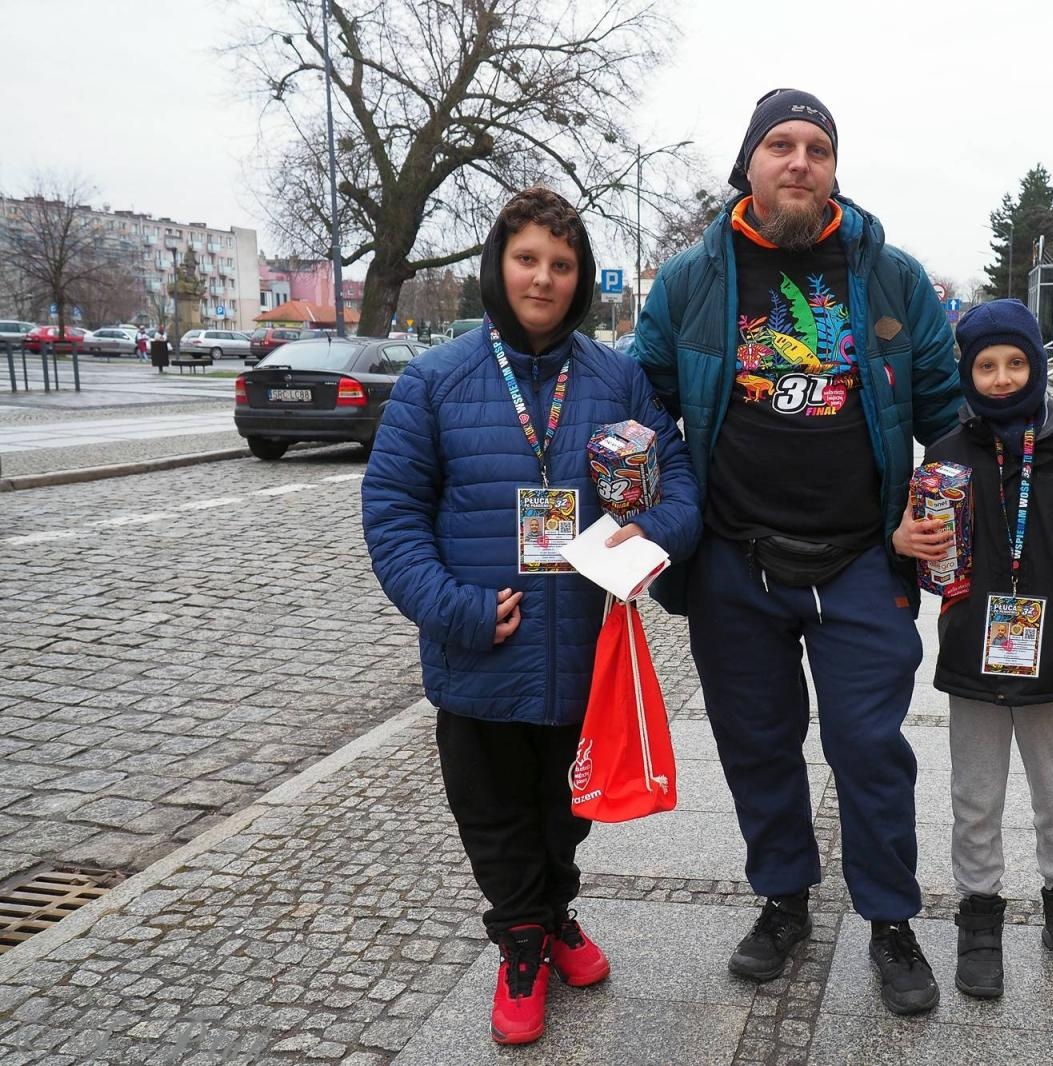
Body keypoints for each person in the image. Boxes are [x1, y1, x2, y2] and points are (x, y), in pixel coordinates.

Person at [631, 88, 963, 1015]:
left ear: (834, 170)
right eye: (781, 144)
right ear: (748, 163)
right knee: (757, 744)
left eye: (817, 147)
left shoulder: (891, 277)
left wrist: (947, 502)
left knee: (869, 748)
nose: (799, 161)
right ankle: (783, 900)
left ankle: (892, 921)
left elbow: (947, 413)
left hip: (864, 557)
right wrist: (645, 513)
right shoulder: (691, 279)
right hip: (737, 559)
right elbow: (646, 404)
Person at [361, 186, 700, 1046]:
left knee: (566, 810)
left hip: (584, 649)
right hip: (482, 649)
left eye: (560, 263)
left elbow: (680, 485)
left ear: (579, 276)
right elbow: (393, 516)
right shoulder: (437, 381)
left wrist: (641, 540)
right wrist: (459, 612)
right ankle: (522, 943)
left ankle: (552, 915)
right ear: (497, 266)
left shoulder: (617, 377)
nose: (543, 278)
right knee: (494, 810)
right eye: (527, 260)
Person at [894, 298, 1053, 999]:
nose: (1001, 378)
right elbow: (926, 558)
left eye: (1015, 363)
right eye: (986, 365)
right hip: (974, 659)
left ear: (1035, 365)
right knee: (974, 798)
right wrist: (911, 550)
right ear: (969, 373)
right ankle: (980, 915)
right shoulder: (945, 456)